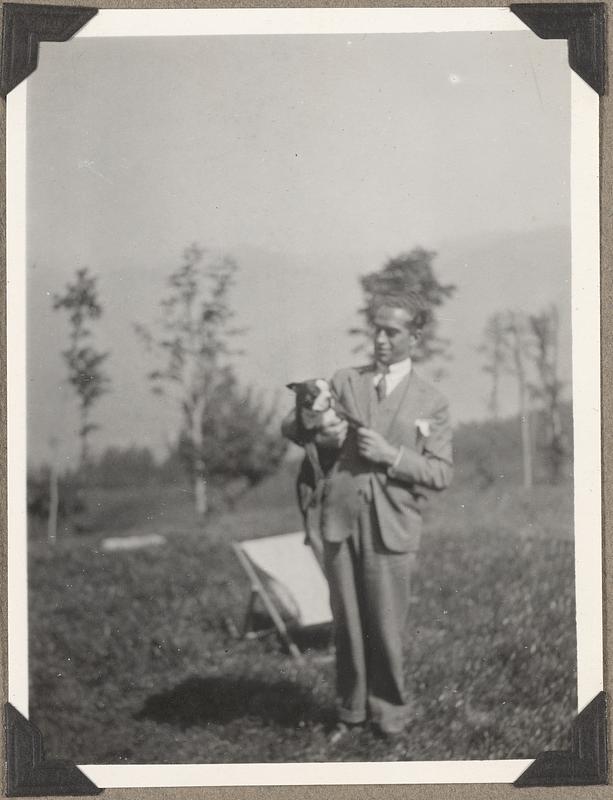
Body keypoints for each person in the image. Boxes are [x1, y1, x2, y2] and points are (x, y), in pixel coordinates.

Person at [282, 292, 453, 739]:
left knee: (386, 627)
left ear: (414, 337)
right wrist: (317, 428)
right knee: (347, 624)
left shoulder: (431, 401)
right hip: (339, 519)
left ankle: (390, 717)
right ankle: (349, 714)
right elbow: (292, 427)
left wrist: (393, 456)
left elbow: (440, 472)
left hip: (393, 526)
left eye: (391, 332)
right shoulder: (344, 382)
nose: (378, 339)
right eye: (375, 329)